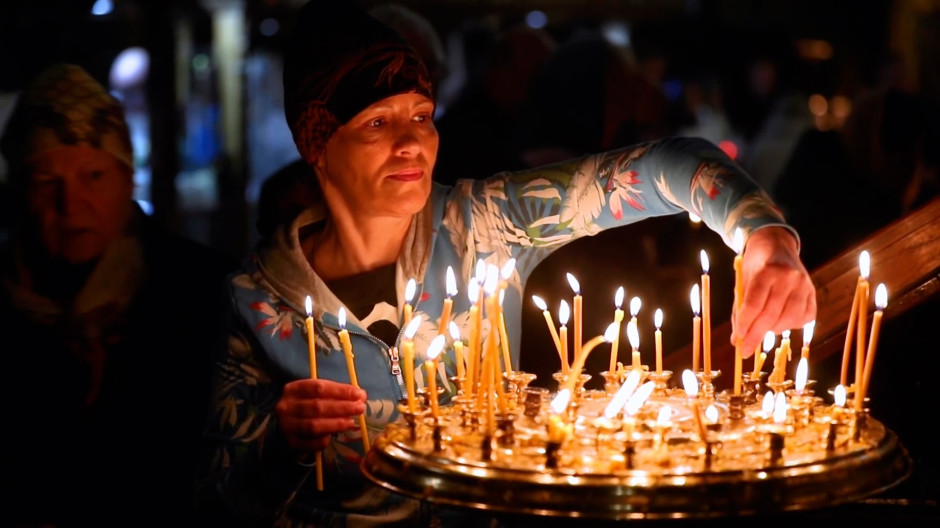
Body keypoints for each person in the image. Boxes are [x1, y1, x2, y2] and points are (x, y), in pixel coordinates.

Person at [193, 2, 816, 526]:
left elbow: (666, 164)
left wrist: (764, 236)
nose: (411, 142)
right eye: (377, 122)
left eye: (420, 115)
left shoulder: (484, 224)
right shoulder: (258, 300)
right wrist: (284, 446)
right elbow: (222, 501)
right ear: (319, 144)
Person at [0, 63, 236, 526]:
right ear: (21, 194)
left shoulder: (202, 290)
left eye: (93, 176)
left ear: (127, 180)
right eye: (48, 183)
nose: (71, 205)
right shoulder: (8, 306)